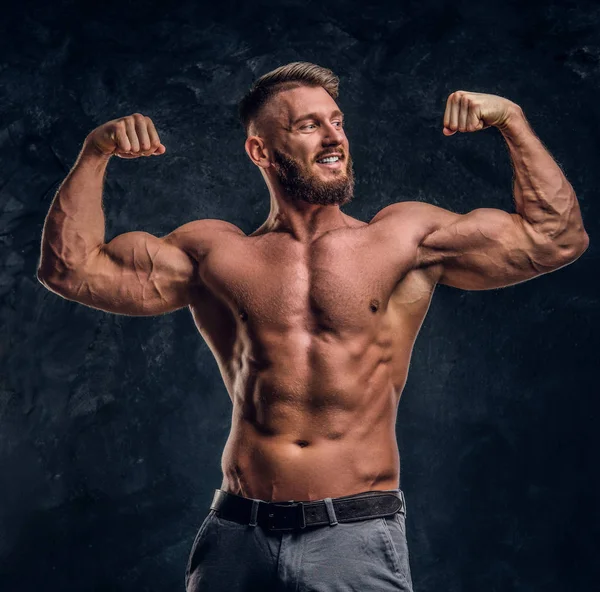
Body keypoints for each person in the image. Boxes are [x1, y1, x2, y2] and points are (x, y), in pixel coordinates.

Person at [37, 62, 589, 591]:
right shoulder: (215, 253)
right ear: (261, 150)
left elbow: (556, 238)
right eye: (308, 125)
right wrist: (95, 153)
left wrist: (512, 120)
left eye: (337, 121)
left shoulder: (403, 239)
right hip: (236, 534)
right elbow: (70, 269)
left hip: (353, 533)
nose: (333, 137)